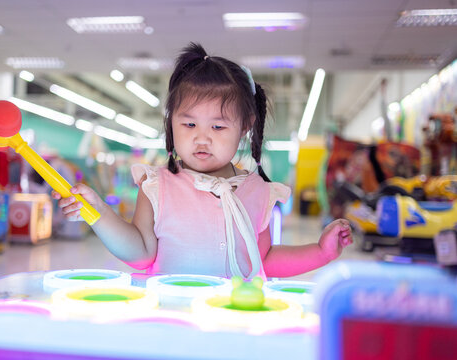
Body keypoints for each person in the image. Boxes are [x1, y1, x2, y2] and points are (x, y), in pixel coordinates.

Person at [52, 43, 352, 279]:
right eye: (189, 124)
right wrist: (98, 212)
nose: (202, 138)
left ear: (245, 125)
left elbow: (264, 260)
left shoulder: (258, 191)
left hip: (233, 318)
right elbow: (141, 252)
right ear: (172, 124)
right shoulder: (157, 185)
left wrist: (320, 252)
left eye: (218, 127)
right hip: (173, 318)